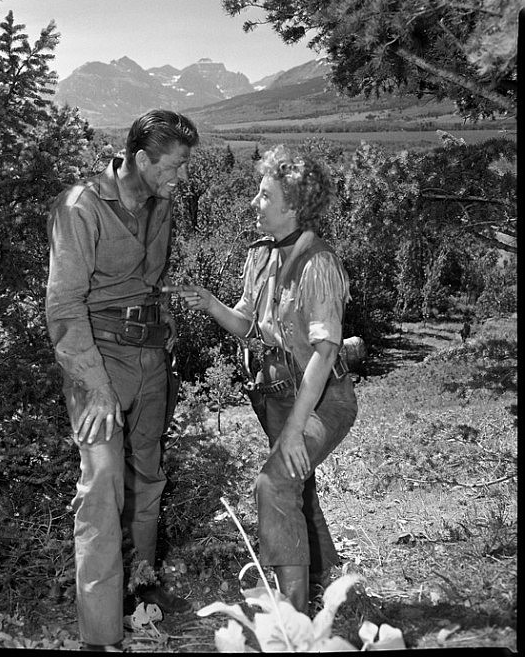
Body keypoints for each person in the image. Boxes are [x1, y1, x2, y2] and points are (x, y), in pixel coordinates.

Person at [166, 145, 358, 613]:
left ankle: (293, 614)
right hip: (274, 396)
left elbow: (324, 351)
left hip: (320, 399)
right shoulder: (260, 257)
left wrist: (295, 428)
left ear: (293, 206)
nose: (254, 202)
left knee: (274, 484)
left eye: (264, 194)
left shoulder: (318, 263)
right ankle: (326, 582)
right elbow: (251, 326)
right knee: (296, 485)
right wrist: (211, 304)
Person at [46, 109, 199, 651]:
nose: (180, 177)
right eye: (173, 166)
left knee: (148, 481)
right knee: (103, 486)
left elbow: (148, 282)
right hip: (97, 361)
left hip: (151, 358)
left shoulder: (162, 205)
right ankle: (100, 635)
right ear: (140, 158)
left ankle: (142, 602)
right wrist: (97, 386)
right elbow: (63, 307)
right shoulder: (80, 207)